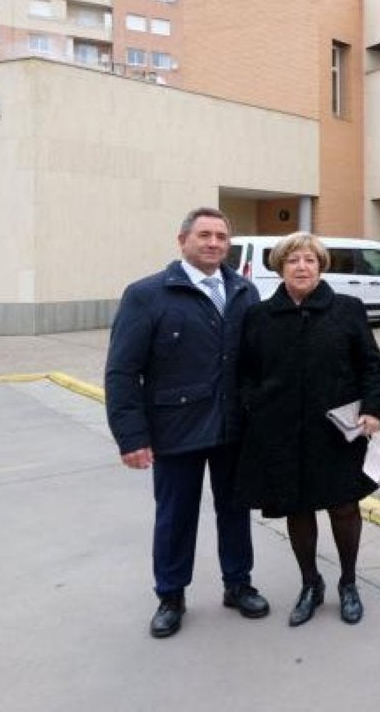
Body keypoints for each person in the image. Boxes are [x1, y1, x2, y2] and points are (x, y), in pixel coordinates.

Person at [105, 206, 269, 638]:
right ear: (183, 241)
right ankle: (171, 595)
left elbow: (257, 363)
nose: (214, 243)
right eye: (204, 235)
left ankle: (238, 584)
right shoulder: (148, 294)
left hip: (233, 428)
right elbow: (122, 371)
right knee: (176, 515)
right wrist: (131, 436)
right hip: (175, 428)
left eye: (221, 236)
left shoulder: (244, 291)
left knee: (235, 511)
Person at [234, 232, 380, 626]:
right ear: (280, 267)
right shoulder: (259, 317)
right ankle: (310, 583)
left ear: (321, 267)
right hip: (281, 433)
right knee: (297, 508)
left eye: (310, 260)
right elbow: (245, 374)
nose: (302, 267)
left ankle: (348, 583)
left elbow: (371, 365)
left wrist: (374, 409)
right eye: (293, 261)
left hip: (337, 431)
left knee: (343, 506)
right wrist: (254, 409)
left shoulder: (348, 310)